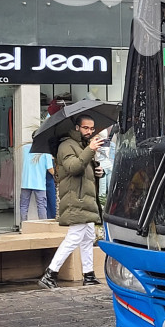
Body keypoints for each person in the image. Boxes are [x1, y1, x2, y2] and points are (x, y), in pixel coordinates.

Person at [38, 114, 104, 289]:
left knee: (88, 236)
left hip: (84, 198)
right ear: (77, 128)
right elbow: (73, 167)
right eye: (86, 128)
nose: (90, 131)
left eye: (92, 128)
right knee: (74, 237)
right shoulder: (66, 145)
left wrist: (98, 172)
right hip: (76, 199)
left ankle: (88, 274)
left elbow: (85, 172)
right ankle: (50, 273)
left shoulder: (82, 146)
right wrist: (90, 149)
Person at [19, 141, 54, 221]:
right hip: (39, 182)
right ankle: (43, 225)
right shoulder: (46, 150)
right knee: (41, 205)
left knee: (24, 205)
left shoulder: (25, 148)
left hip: (26, 181)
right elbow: (50, 169)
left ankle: (23, 226)